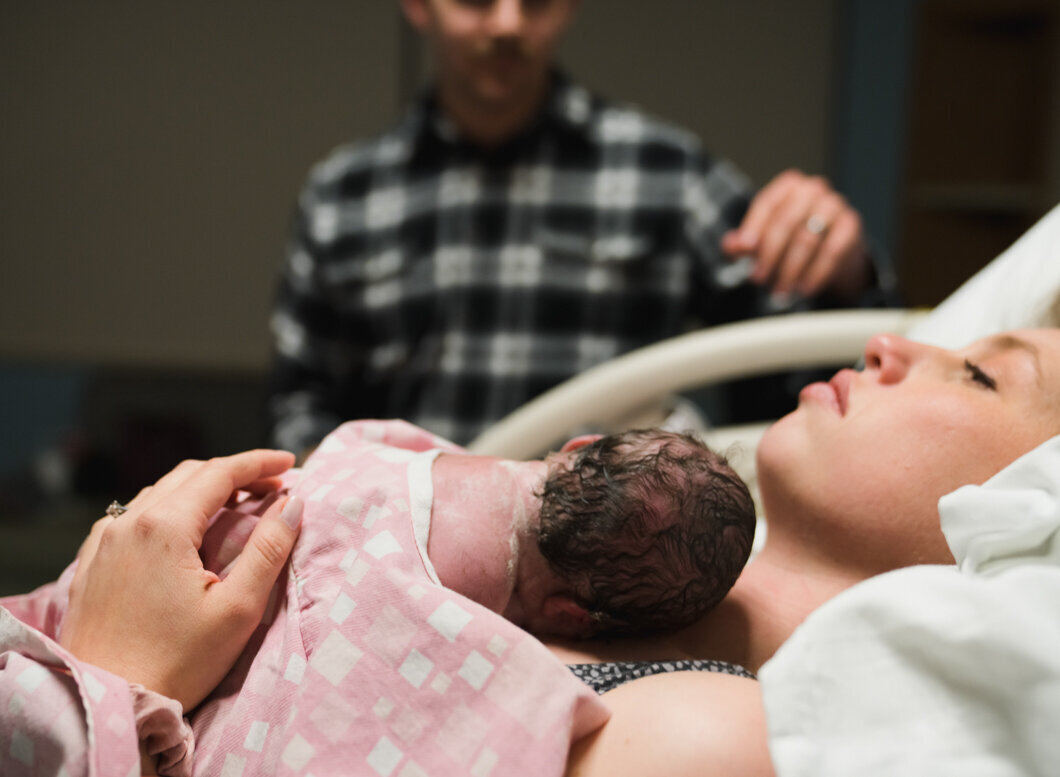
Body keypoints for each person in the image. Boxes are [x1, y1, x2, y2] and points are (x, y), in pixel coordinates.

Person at [268, 0, 895, 456]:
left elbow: (798, 373)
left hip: (617, 568)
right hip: (405, 556)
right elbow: (303, 408)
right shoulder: (342, 195)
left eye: (535, 1)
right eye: (477, 0)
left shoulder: (665, 171)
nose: (509, 22)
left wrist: (844, 275)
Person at [0, 419, 753, 775]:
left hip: (113, 601)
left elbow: (341, 445)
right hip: (137, 617)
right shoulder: (455, 644)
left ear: (579, 446)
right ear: (572, 616)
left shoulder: (396, 446)